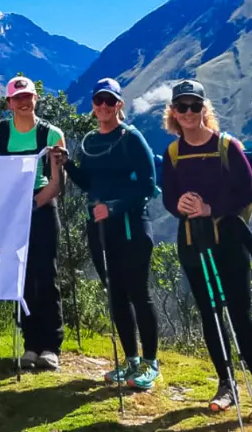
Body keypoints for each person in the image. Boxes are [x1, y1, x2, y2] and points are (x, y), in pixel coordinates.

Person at [161, 79, 252, 424]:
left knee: (239, 314)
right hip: (193, 241)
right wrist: (180, 205)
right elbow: (167, 196)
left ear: (204, 110)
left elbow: (245, 192)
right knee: (210, 314)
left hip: (229, 240)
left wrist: (210, 208)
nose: (189, 113)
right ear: (174, 114)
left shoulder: (227, 146)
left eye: (195, 106)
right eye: (183, 107)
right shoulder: (173, 153)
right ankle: (226, 384)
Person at [53, 78, 161, 388]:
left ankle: (151, 364)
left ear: (119, 105)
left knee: (138, 293)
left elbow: (147, 186)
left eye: (109, 101)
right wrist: (68, 164)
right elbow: (89, 183)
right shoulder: (90, 141)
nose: (103, 107)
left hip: (131, 226)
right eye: (98, 101)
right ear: (93, 104)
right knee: (115, 294)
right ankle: (131, 361)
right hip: (99, 227)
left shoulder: (131, 138)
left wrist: (114, 207)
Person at [0, 76, 65, 369]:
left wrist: (31, 204)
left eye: (27, 96)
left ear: (35, 99)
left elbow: (56, 183)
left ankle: (51, 345)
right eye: (17, 98)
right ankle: (30, 344)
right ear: (9, 103)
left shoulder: (51, 134)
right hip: (10, 209)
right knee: (22, 276)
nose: (23, 102)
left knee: (47, 276)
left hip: (41, 207)